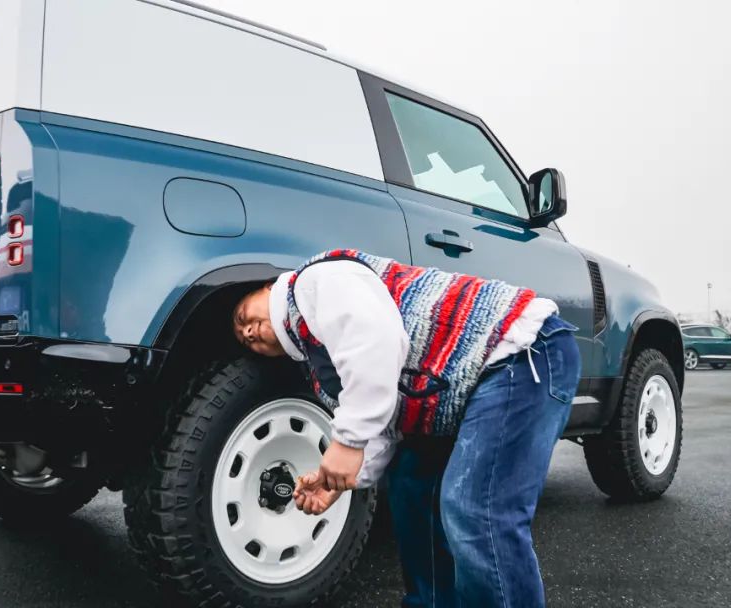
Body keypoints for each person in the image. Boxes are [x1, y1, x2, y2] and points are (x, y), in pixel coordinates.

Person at [232, 249, 581, 608]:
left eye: (243, 315)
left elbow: (376, 340)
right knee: (410, 488)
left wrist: (348, 442)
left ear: (267, 288)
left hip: (521, 353)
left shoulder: (313, 283)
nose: (246, 330)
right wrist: (336, 481)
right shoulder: (320, 364)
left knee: (474, 508)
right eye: (243, 338)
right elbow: (384, 424)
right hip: (463, 388)